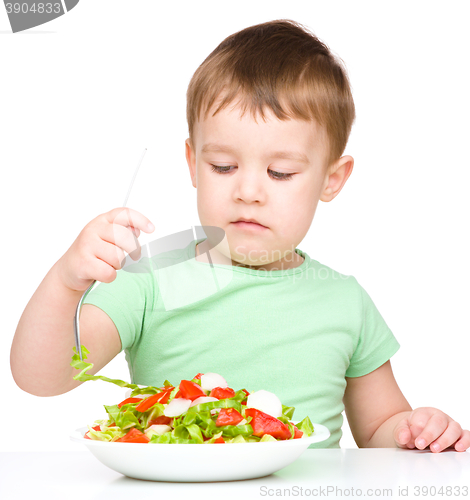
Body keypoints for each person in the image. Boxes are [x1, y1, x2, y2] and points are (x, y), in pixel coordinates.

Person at [11, 19, 469, 452]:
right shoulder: (149, 278)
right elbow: (41, 377)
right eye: (223, 167)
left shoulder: (344, 300)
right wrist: (66, 281)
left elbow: (378, 430)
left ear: (332, 178)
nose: (248, 191)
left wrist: (415, 431)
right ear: (192, 163)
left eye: (280, 172)